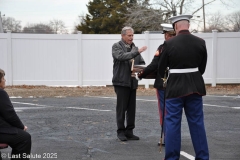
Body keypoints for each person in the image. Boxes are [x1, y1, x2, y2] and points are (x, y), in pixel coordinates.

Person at [157, 15, 209, 160]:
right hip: (195, 85)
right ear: (188, 25)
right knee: (197, 123)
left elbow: (161, 69)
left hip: (175, 87)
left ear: (175, 27)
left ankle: (172, 158)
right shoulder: (200, 42)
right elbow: (202, 68)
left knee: (173, 123)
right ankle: (203, 157)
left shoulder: (169, 43)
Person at [137, 24, 176, 146]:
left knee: (164, 112)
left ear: (167, 35)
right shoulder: (184, 46)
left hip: (164, 84)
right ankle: (175, 138)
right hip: (179, 84)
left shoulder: (163, 47)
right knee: (175, 112)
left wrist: (141, 74)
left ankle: (166, 138)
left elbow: (154, 65)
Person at [112, 26, 147, 141]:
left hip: (132, 82)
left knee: (132, 109)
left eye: (132, 35)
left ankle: (129, 131)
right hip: (121, 82)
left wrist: (140, 70)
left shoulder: (135, 48)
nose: (131, 38)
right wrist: (136, 52)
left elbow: (141, 62)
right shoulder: (117, 46)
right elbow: (121, 57)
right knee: (121, 108)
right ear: (123, 36)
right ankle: (120, 131)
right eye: (129, 35)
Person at [0, 69, 32, 160]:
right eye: (3, 78)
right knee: (24, 138)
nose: (5, 80)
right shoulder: (1, 93)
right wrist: (21, 127)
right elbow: (10, 114)